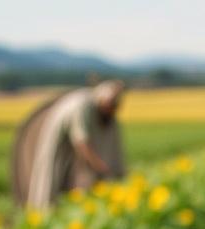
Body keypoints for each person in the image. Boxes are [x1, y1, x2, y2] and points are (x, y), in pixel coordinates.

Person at [18, 80, 127, 209]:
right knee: (51, 185)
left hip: (73, 153)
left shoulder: (105, 115)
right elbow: (81, 142)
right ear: (103, 101)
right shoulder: (83, 106)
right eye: (110, 106)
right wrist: (100, 167)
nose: (111, 112)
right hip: (61, 151)